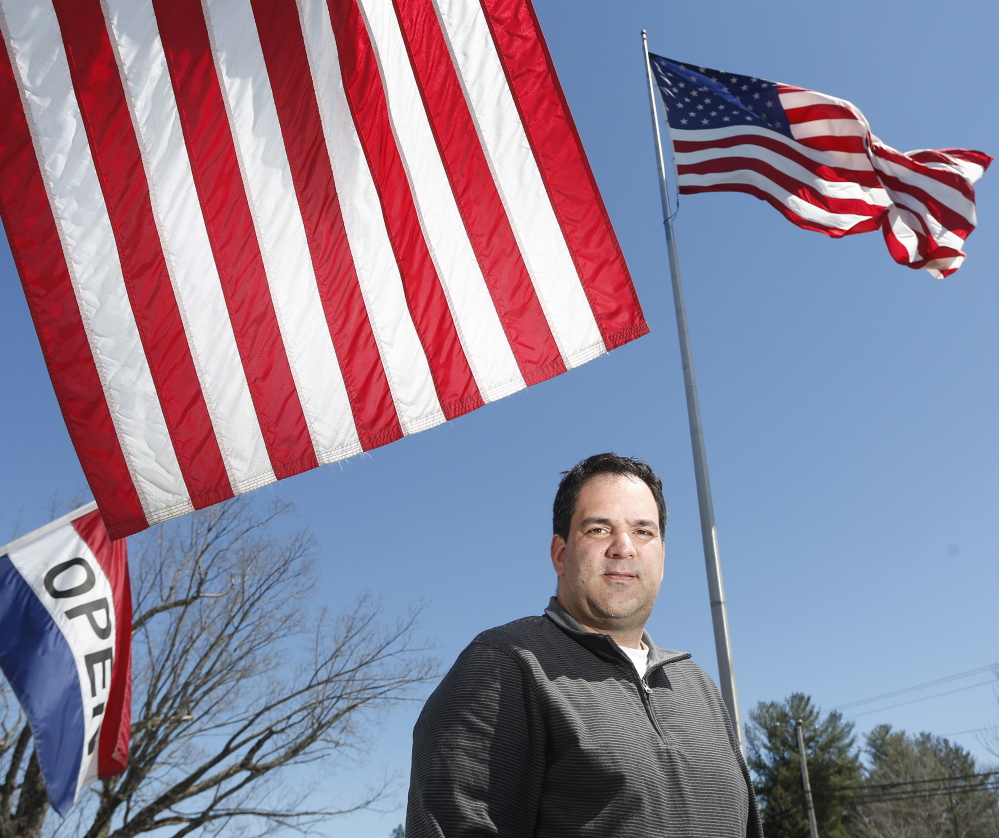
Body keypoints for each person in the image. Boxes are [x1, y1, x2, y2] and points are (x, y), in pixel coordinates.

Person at [406, 453, 763, 838]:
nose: (623, 547)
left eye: (643, 531)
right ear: (561, 554)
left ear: (662, 556)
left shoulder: (699, 687)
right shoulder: (505, 664)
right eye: (598, 529)